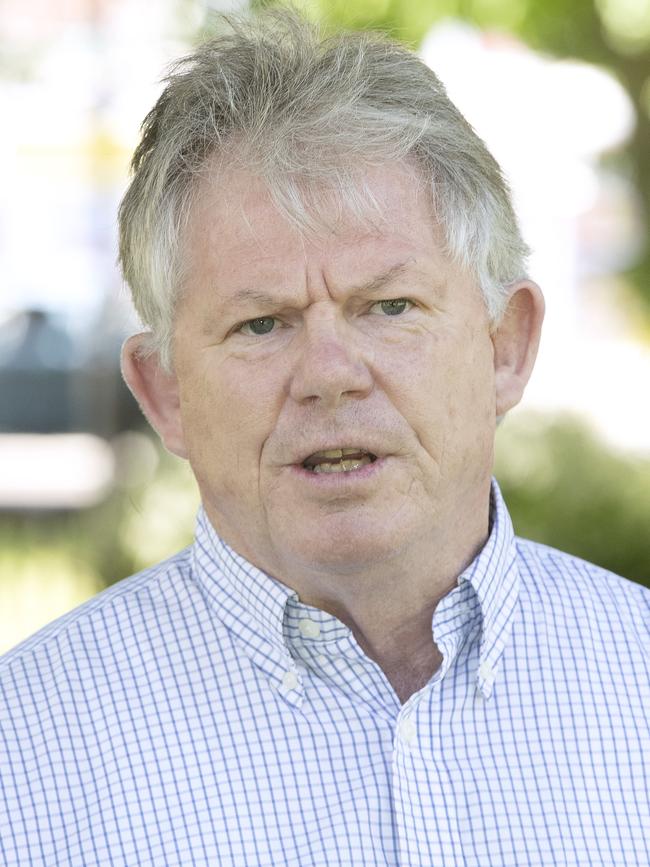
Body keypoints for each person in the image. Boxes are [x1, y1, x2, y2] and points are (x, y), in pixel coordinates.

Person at [1, 9, 648, 866]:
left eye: (389, 306)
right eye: (262, 323)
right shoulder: (24, 753)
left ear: (507, 345)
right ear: (165, 394)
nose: (330, 372)